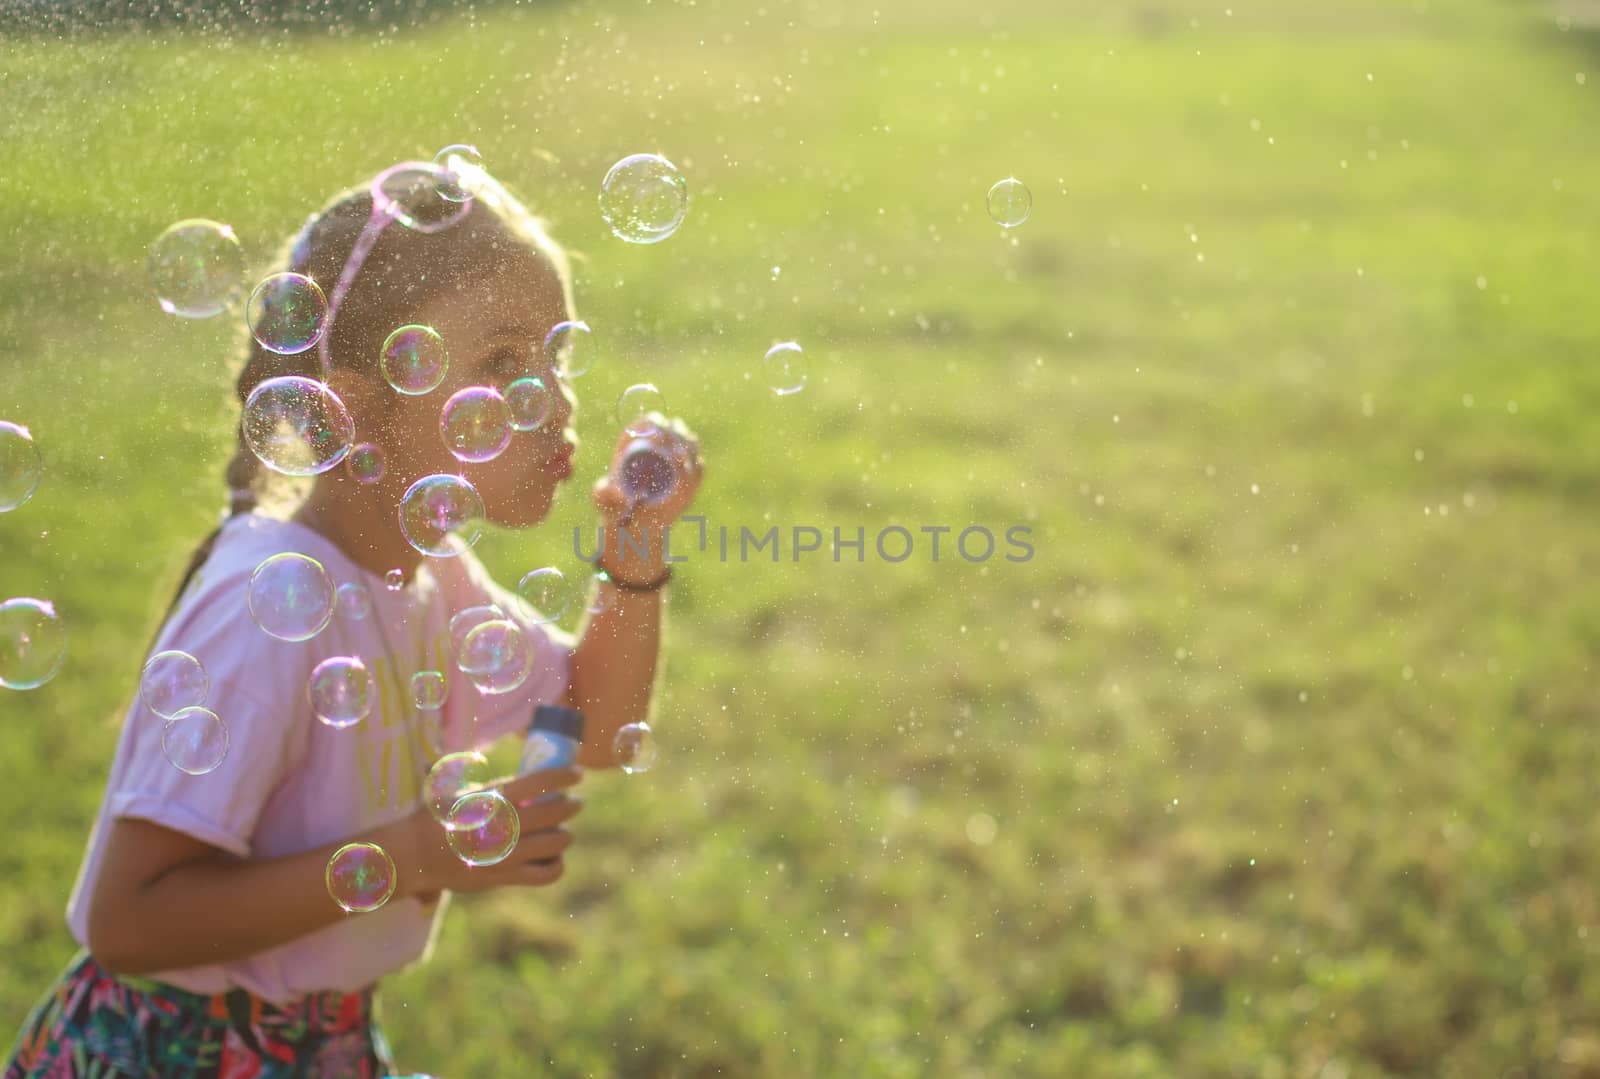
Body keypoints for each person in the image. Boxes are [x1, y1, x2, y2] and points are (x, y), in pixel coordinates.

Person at [4, 160, 703, 1077]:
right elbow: (127, 919)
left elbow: (598, 723)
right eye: (502, 362)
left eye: (555, 355)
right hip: (175, 1053)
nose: (559, 401)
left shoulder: (431, 574)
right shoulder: (267, 607)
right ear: (362, 406)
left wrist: (635, 544)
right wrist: (418, 851)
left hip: (313, 1043)